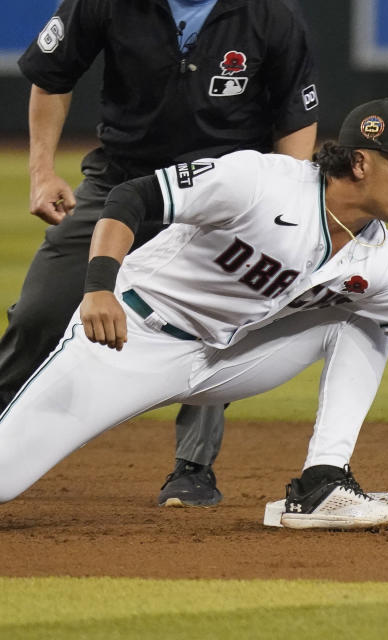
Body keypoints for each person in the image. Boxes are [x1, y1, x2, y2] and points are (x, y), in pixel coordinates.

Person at [0, 98, 388, 531]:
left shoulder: (378, 259)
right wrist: (99, 285)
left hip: (226, 357)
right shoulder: (261, 181)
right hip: (130, 337)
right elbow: (133, 197)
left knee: (358, 313)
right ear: (360, 163)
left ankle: (321, 483)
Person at [4, 0, 321, 508]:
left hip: (217, 198)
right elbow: (51, 74)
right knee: (41, 312)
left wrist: (282, 209)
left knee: (213, 324)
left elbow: (295, 117)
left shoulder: (271, 13)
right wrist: (42, 170)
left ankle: (193, 469)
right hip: (121, 181)